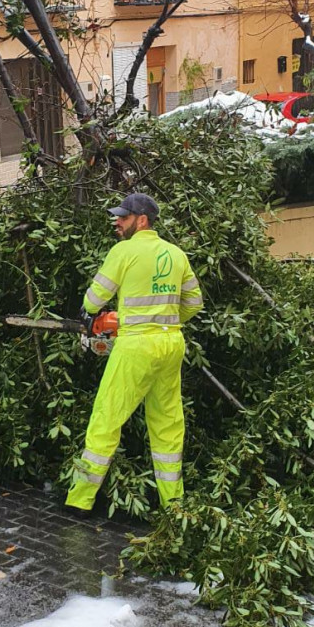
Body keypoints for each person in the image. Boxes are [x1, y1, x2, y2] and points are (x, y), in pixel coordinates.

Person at [65, 192, 203, 512]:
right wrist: (163, 321)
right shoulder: (177, 254)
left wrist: (92, 315)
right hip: (171, 345)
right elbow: (194, 304)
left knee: (106, 418)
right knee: (168, 424)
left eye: (123, 217)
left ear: (141, 221)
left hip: (136, 346)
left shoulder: (123, 251)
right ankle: (174, 505)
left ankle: (79, 501)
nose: (117, 222)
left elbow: (95, 298)